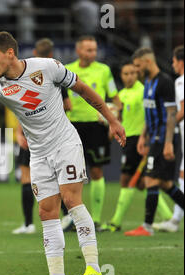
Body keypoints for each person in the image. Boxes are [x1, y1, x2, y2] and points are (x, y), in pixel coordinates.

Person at [0, 31, 126, 275]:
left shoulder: (47, 67)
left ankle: (94, 268)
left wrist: (111, 119)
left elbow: (84, 90)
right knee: (46, 212)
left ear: (10, 53)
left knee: (71, 200)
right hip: (39, 153)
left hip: (65, 144)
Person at [100, 60, 173, 232]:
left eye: (133, 72)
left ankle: (115, 222)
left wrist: (147, 139)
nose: (130, 76)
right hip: (129, 140)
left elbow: (152, 116)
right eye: (126, 73)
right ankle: (169, 216)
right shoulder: (121, 94)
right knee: (142, 183)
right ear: (121, 76)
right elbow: (119, 119)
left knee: (127, 179)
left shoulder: (143, 92)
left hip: (139, 140)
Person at [12, 38, 72, 235]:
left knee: (26, 178)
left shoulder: (24, 77)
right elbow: (68, 106)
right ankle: (67, 215)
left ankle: (28, 224)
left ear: (35, 53)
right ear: (52, 55)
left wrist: (20, 133)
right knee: (55, 178)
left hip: (31, 135)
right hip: (51, 136)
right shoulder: (55, 75)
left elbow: (22, 108)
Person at [65, 35, 124, 229]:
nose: (92, 53)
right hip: (71, 127)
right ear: (79, 50)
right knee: (70, 174)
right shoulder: (67, 70)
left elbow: (115, 100)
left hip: (96, 127)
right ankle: (72, 219)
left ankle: (96, 220)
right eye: (88, 50)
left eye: (94, 50)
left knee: (97, 171)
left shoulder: (104, 70)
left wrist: (114, 122)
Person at [125, 47, 184, 236]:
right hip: (154, 137)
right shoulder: (148, 82)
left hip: (164, 137)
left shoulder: (165, 82)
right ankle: (149, 225)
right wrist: (143, 136)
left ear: (148, 62)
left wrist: (168, 143)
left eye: (138, 66)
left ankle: (147, 226)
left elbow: (171, 113)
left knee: (150, 179)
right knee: (166, 184)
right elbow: (150, 112)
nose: (136, 70)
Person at [153, 45, 184, 232]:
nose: (172, 65)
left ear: (180, 62)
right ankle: (174, 220)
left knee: (182, 176)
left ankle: (174, 221)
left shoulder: (181, 82)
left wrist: (168, 128)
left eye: (173, 61)